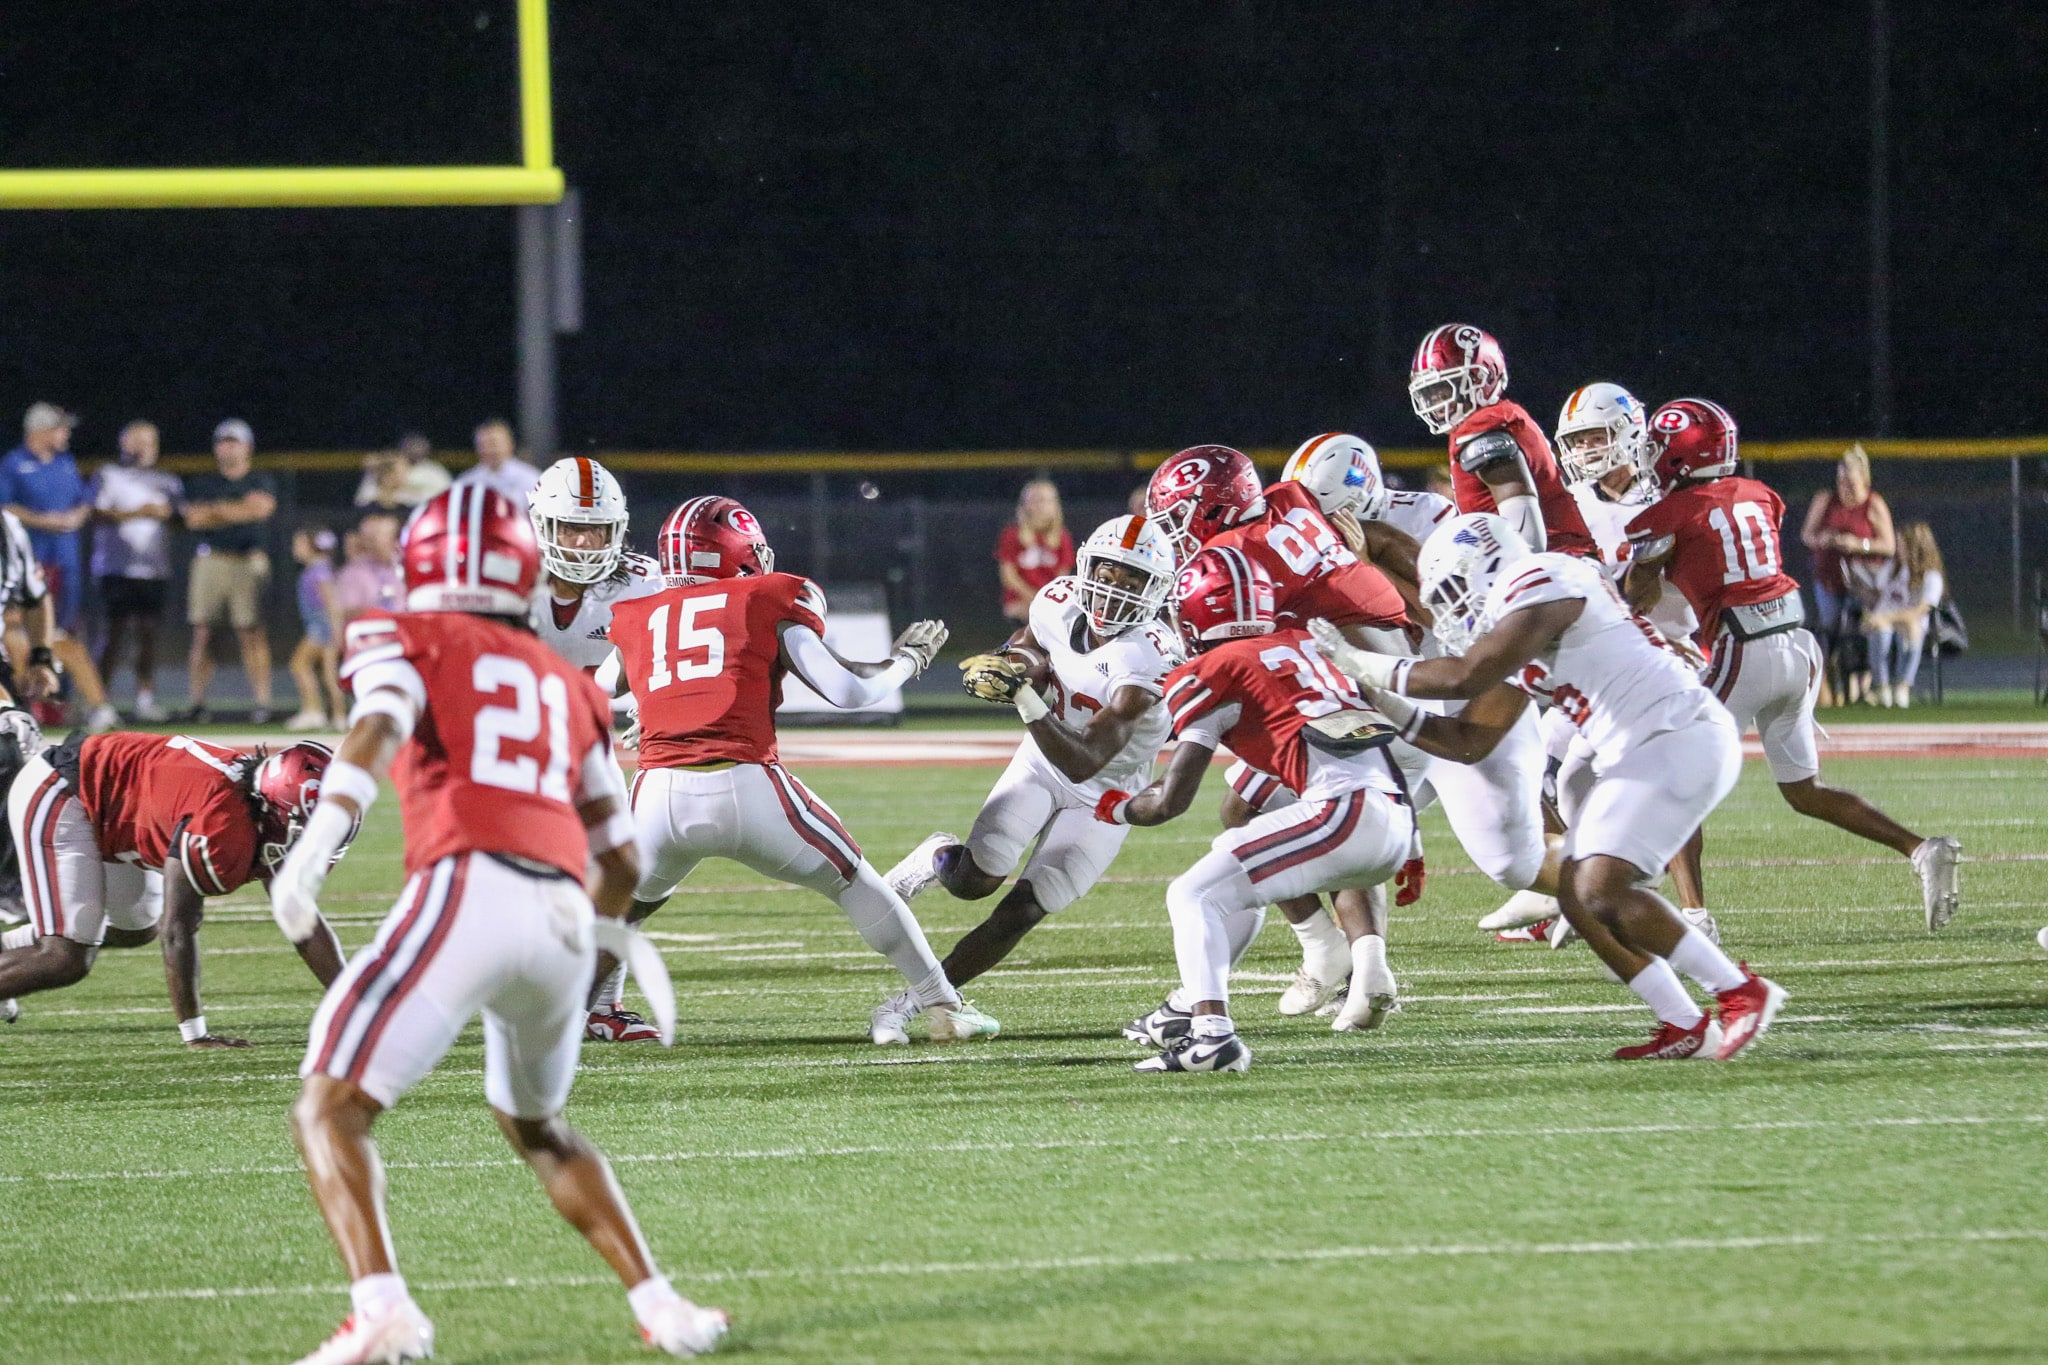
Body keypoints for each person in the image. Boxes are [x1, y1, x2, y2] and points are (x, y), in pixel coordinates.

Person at [267, 485, 729, 1361]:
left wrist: (313, 851)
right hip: (561, 916)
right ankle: (664, 1305)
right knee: (537, 1124)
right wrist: (588, 950)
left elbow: (377, 726)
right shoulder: (568, 683)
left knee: (328, 1108)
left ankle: (383, 1310)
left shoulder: (403, 635)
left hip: (465, 884)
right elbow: (622, 859)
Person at [1314, 511, 1786, 1061]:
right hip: (1643, 748)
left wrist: (1362, 664)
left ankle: (1739, 990)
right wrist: (1388, 706)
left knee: (1600, 888)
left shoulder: (1545, 577)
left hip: (1675, 734)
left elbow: (1466, 676)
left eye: (1454, 593)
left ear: (1485, 566)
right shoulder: (1526, 626)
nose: (1454, 612)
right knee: (1576, 893)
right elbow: (1469, 741)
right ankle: (1684, 1023)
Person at [598, 494, 996, 1046]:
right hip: (745, 784)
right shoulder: (768, 596)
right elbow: (849, 692)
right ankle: (943, 1004)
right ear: (737, 552)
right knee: (856, 883)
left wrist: (653, 705)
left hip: (657, 795)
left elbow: (592, 694)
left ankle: (587, 1010)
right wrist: (908, 661)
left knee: (626, 905)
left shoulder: (640, 615)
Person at [1625, 400, 1961, 931]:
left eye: (1658, 449)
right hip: (1797, 648)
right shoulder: (1760, 494)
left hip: (1742, 649)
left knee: (1673, 778)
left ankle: (1694, 917)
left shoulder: (1669, 514)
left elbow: (1637, 594)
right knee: (1805, 791)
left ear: (1682, 456)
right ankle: (1922, 849)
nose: (1650, 458)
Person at [1148, 440, 1438, 1017]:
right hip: (1405, 685)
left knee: (1267, 811)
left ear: (1213, 507)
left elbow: (1237, 648)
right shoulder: (1291, 498)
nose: (1174, 531)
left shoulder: (1234, 554)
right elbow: (1376, 544)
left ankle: (1324, 947)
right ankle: (1365, 966)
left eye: (1179, 515)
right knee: (1326, 817)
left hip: (1365, 697)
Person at [1114, 547, 1423, 1072]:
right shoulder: (1306, 643)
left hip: (1344, 812)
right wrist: (1410, 842)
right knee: (1229, 865)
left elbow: (1170, 801)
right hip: (1390, 809)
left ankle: (1212, 1038)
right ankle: (1191, 1006)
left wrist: (1116, 808)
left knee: (1191, 894)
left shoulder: (1213, 669)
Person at [887, 514, 1180, 988]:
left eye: (1131, 584)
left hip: (1107, 791)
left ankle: (926, 998)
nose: (1112, 593)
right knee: (972, 882)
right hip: (1042, 762)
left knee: (1022, 910)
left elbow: (1084, 761)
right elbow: (1028, 648)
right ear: (1087, 568)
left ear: (1156, 590)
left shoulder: (1150, 655)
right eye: (1106, 577)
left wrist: (1021, 695)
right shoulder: (1058, 601)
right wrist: (1009, 667)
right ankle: (934, 856)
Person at [0, 734, 346, 1038]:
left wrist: (353, 1007)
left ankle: (8, 949)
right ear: (277, 810)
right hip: (64, 790)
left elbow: (302, 922)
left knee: (135, 928)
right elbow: (177, 928)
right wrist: (195, 1032)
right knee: (64, 958)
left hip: (112, 802)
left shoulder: (262, 809)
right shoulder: (220, 822)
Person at [524, 457, 668, 1042]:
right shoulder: (506, 580)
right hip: (513, 742)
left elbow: (680, 648)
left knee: (621, 865)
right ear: (541, 525)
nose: (584, 543)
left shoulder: (645, 582)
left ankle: (600, 1006)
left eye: (596, 530)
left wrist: (657, 703)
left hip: (588, 741)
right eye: (571, 528)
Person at [1407, 324, 1599, 558]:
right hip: (1565, 561)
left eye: (1445, 389)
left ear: (1482, 378)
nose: (1436, 401)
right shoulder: (1500, 418)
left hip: (1554, 565)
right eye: (1430, 392)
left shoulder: (1483, 429)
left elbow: (1527, 539)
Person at [183, 419, 278, 722]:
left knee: (251, 631)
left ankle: (262, 702)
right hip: (212, 559)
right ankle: (198, 703)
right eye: (222, 442)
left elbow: (261, 509)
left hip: (249, 561)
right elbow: (194, 519)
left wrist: (217, 511)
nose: (227, 447)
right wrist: (239, 510)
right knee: (203, 632)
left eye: (234, 442)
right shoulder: (204, 483)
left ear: (247, 447)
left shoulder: (260, 480)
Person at [92, 420, 182, 721]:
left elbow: (181, 519)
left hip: (154, 570)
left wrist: (169, 515)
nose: (145, 448)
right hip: (116, 568)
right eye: (138, 441)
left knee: (148, 636)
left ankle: (145, 699)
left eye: (150, 441)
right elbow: (96, 513)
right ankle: (98, 702)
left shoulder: (168, 481)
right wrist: (137, 512)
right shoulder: (109, 474)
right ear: (124, 443)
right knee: (113, 634)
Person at [1800, 443, 1894, 704]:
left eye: (1850, 482)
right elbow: (1806, 535)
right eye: (1841, 481)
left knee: (1860, 630)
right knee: (1830, 630)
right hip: (1829, 578)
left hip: (1863, 582)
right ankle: (1832, 690)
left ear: (1863, 479)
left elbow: (1889, 545)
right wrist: (1824, 540)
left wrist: (1859, 545)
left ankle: (1864, 687)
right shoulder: (1825, 500)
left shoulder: (1873, 504)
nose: (1845, 488)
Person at [2, 403, 92, 638]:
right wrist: (44, 521)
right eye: (61, 429)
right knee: (25, 624)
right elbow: (5, 506)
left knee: (65, 624)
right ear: (41, 431)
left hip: (65, 555)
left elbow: (83, 500)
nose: (66, 434)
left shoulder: (65, 462)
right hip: (31, 555)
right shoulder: (13, 463)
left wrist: (76, 517)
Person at [1863, 521, 1945, 708]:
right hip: (1881, 622)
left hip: (1907, 623)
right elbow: (1877, 597)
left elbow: (1919, 611)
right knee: (1881, 630)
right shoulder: (1892, 568)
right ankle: (1882, 687)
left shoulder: (1931, 576)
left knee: (1911, 628)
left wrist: (1887, 617)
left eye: (1902, 544)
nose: (1898, 549)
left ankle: (1902, 687)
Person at [286, 528, 346, 731]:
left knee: (299, 664)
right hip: (323, 625)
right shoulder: (321, 568)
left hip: (321, 626)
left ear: (312, 546)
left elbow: (331, 602)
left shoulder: (319, 570)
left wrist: (336, 631)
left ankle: (313, 711)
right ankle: (338, 716)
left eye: (300, 544)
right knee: (329, 674)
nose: (295, 548)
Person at [995, 478, 1073, 622]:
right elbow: (1009, 577)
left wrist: (1047, 599)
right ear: (1025, 504)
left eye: (1047, 500)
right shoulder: (1012, 534)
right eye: (1036, 500)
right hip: (1020, 601)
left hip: (1051, 601)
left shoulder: (1062, 537)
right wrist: (1033, 598)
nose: (1041, 506)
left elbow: (1062, 577)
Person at [453, 418, 542, 513]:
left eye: (493, 444)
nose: (488, 450)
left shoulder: (531, 479)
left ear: (510, 444)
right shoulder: (466, 481)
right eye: (483, 445)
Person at [334, 512, 404, 624]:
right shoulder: (354, 572)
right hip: (375, 631)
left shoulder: (404, 566)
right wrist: (378, 613)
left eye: (396, 536)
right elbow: (345, 611)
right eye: (372, 538)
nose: (396, 543)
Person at [353, 431, 452, 510]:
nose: (415, 449)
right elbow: (362, 501)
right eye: (390, 472)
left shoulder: (433, 471)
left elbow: (445, 499)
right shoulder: (373, 487)